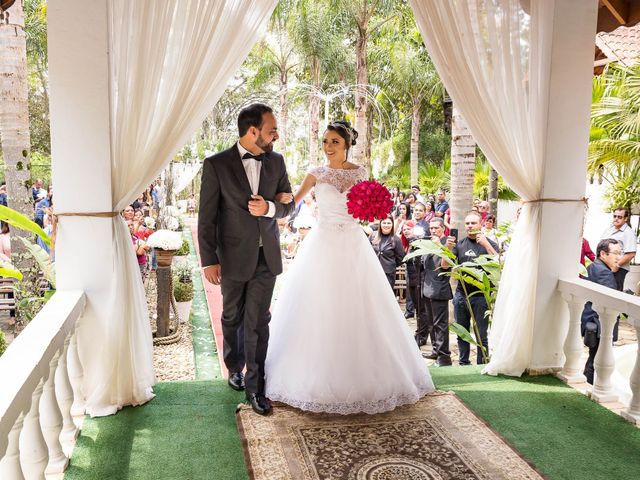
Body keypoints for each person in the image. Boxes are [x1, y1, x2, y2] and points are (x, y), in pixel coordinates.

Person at [265, 120, 433, 414]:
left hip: (354, 244)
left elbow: (372, 207)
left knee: (361, 306)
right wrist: (277, 200)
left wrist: (375, 210)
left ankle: (371, 378)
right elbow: (293, 203)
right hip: (323, 243)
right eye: (326, 142)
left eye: (335, 142)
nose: (328, 147)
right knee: (321, 305)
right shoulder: (316, 174)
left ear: (347, 145)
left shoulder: (360, 173)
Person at [198, 103, 295, 416]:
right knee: (231, 316)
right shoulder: (216, 165)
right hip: (231, 258)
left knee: (257, 323)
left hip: (266, 258)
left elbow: (288, 206)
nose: (276, 135)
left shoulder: (277, 162)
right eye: (271, 130)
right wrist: (209, 260)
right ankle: (233, 366)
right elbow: (207, 218)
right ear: (253, 131)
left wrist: (269, 208)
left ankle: (256, 388)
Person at [442, 211, 498, 365]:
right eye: (467, 223)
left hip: (480, 296)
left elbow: (498, 264)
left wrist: (485, 244)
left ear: (480, 224)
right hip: (462, 295)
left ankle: (483, 363)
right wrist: (447, 248)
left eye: (473, 223)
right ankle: (463, 363)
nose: (470, 226)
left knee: (481, 334)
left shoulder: (490, 243)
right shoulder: (459, 244)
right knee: (462, 332)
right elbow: (444, 266)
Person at [581, 239, 622, 384]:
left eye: (620, 253)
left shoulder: (594, 266)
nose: (619, 257)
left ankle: (587, 385)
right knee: (597, 359)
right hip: (598, 322)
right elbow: (612, 301)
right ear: (603, 254)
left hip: (592, 320)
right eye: (615, 253)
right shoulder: (604, 272)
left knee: (593, 358)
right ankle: (590, 386)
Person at [422, 217, 453, 366]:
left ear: (443, 228)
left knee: (440, 325)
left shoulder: (447, 243)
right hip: (427, 288)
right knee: (431, 323)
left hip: (439, 289)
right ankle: (435, 350)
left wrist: (440, 246)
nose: (433, 230)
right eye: (431, 228)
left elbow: (446, 266)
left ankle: (444, 356)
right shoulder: (427, 244)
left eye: (436, 228)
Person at [600, 208, 637, 291]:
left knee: (613, 294)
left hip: (617, 269)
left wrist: (616, 265)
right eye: (615, 216)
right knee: (600, 292)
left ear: (625, 219)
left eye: (620, 217)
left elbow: (631, 254)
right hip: (603, 267)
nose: (616, 218)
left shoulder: (629, 233)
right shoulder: (609, 229)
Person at [370, 215, 405, 290]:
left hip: (388, 273)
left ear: (392, 224)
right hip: (373, 272)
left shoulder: (396, 240)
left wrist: (390, 264)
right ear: (380, 224)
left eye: (389, 223)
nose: (386, 225)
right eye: (384, 223)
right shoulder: (373, 236)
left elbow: (401, 258)